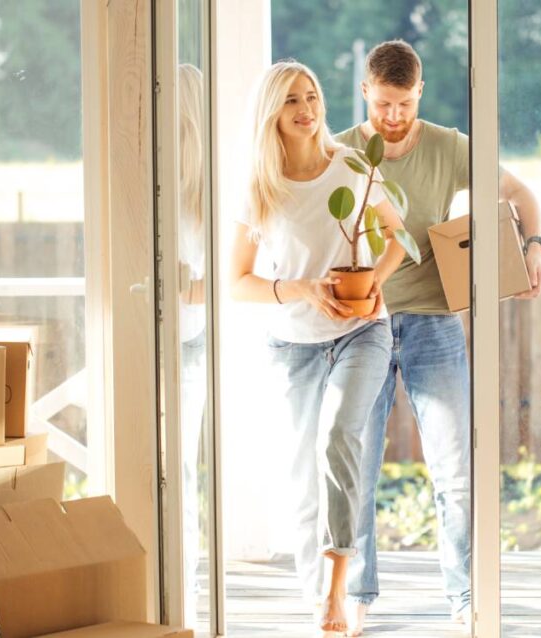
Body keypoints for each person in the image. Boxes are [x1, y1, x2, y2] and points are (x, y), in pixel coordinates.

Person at [334, 40, 541, 634]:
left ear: (419, 93)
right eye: (382, 104)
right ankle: (357, 595)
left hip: (434, 323)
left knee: (456, 470)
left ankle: (465, 599)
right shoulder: (343, 152)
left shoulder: (451, 146)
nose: (393, 117)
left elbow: (521, 194)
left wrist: (534, 249)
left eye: (403, 104)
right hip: (362, 327)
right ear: (365, 93)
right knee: (357, 467)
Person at [230, 60, 410, 634]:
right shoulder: (260, 187)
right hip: (293, 346)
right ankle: (319, 597)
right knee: (303, 476)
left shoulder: (353, 164)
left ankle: (340, 594)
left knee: (339, 440)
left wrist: (376, 279)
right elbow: (238, 281)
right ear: (271, 114)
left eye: (311, 96)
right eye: (290, 101)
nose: (306, 109)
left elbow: (398, 236)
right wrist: (303, 289)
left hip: (361, 332)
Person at [177, 62, 208, 628]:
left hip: (186, 346)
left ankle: (182, 588)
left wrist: (181, 283)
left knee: (178, 472)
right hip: (154, 342)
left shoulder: (206, 197)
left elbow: (219, 284)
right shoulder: (151, 186)